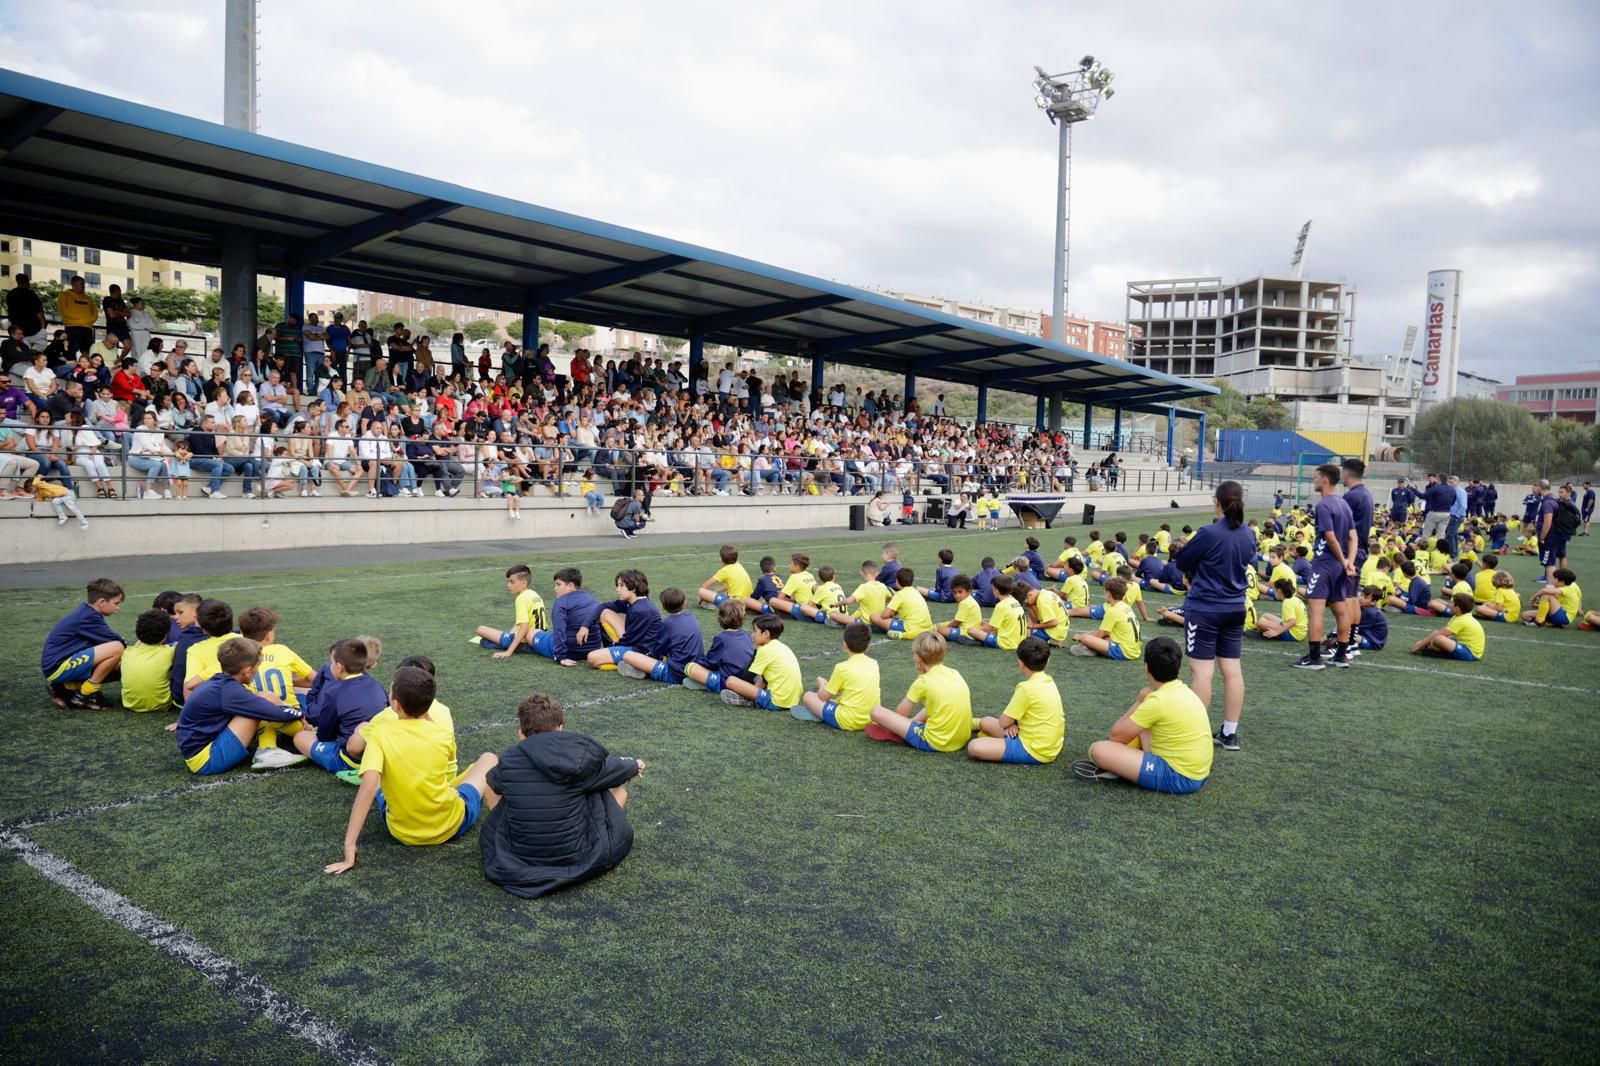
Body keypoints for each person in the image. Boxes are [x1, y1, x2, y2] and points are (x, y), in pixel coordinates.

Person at [324, 666, 501, 874]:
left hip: (401, 832)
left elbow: (368, 788)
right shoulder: (443, 734)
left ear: (395, 704)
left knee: (377, 777)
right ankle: (501, 826)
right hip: (450, 825)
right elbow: (445, 768)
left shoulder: (380, 733)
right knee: (489, 759)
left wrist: (349, 847)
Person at [479, 693, 644, 898]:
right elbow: (618, 769)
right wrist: (635, 764)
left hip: (520, 856)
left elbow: (493, 784)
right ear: (561, 727)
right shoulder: (577, 758)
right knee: (611, 788)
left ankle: (518, 826)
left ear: (521, 733)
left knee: (493, 782)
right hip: (577, 856)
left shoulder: (509, 759)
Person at [1171, 481, 1255, 751]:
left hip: (1206, 608)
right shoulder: (1248, 534)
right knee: (1232, 671)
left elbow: (1182, 561)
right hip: (1235, 607)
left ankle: (1195, 734)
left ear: (1217, 501)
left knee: (1202, 673)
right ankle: (1230, 733)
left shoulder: (1209, 532)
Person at [1071, 637, 1213, 794]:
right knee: (1141, 728)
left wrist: (1139, 701)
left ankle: (1122, 768)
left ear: (1146, 667)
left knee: (1098, 750)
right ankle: (1128, 765)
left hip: (1179, 777)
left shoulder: (1157, 701)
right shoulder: (1184, 691)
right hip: (1197, 771)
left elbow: (1116, 736)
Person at [175, 638, 305, 775]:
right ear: (248, 671)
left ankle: (274, 745)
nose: (258, 670)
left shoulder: (221, 682)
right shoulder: (229, 690)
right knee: (260, 706)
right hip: (206, 760)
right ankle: (291, 744)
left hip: (198, 751)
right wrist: (300, 713)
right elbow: (276, 714)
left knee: (262, 698)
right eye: (258, 666)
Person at [289, 639, 388, 774]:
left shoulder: (334, 693)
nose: (330, 666)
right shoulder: (376, 684)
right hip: (380, 755)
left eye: (332, 662)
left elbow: (324, 736)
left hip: (354, 759)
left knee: (300, 737)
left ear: (339, 667)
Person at [865, 631, 972, 752]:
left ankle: (902, 733)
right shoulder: (954, 673)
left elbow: (901, 713)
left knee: (876, 711)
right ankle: (908, 728)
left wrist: (899, 725)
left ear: (917, 658)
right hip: (962, 739)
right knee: (937, 703)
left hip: (936, 742)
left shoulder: (923, 681)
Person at [1296, 463, 1357, 670]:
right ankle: (1341, 656)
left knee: (1316, 612)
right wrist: (1349, 562)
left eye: (1315, 477)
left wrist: (1342, 561)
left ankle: (1314, 658)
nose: (1313, 481)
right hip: (1339, 567)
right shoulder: (1344, 504)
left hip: (1324, 565)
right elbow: (1353, 537)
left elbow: (1330, 538)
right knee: (1341, 611)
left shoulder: (1323, 505)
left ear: (1324, 479)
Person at [237, 607, 315, 770]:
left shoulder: (238, 656)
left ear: (242, 634)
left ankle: (266, 748)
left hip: (258, 718)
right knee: (305, 708)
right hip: (291, 718)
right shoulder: (282, 651)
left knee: (259, 705)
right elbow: (316, 680)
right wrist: (290, 681)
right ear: (269, 634)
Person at [967, 637, 1065, 765]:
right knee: (986, 722)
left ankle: (974, 730)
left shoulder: (1026, 688)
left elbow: (1003, 722)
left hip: (1034, 750)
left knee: (974, 746)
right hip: (1046, 743)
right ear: (1047, 662)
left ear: (1020, 663)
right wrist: (1013, 724)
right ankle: (976, 727)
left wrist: (1009, 724)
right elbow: (1012, 720)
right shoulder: (1049, 680)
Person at [41, 577, 125, 711]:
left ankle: (68, 688)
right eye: (116, 603)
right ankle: (86, 694)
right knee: (117, 648)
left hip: (61, 664)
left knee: (122, 666)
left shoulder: (87, 612)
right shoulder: (88, 617)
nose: (118, 608)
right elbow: (118, 643)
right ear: (102, 602)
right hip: (57, 666)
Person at [795, 620, 881, 729]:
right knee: (838, 700)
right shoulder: (874, 664)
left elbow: (823, 696)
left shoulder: (842, 668)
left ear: (845, 644)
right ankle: (823, 712)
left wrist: (822, 684)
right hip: (870, 719)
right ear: (868, 646)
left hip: (848, 720)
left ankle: (820, 714)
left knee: (808, 696)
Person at [615, 588, 705, 684]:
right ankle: (641, 670)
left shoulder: (667, 623)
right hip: (696, 669)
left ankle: (641, 670)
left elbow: (657, 652)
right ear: (684, 602)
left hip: (676, 673)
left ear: (663, 606)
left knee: (628, 655)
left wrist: (645, 659)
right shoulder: (691, 617)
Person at [717, 615, 803, 711]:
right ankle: (749, 697)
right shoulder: (782, 647)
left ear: (765, 634)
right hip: (792, 702)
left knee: (731, 681)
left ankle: (747, 698)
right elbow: (765, 679)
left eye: (755, 631)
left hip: (775, 702)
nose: (752, 634)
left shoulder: (764, 650)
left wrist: (756, 651)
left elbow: (747, 677)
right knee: (763, 678)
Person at [589, 570, 662, 671]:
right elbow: (602, 606)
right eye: (617, 585)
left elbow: (629, 640)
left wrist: (613, 647)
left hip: (642, 652)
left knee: (592, 658)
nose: (617, 589)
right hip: (634, 643)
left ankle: (632, 665)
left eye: (621, 586)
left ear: (634, 587)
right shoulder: (632, 602)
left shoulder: (641, 610)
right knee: (605, 612)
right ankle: (623, 661)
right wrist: (584, 626)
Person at [474, 565, 550, 658]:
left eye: (512, 582)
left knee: (480, 630)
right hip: (540, 639)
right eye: (508, 581)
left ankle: (511, 646)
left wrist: (508, 652)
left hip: (526, 642)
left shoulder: (521, 599)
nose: (508, 585)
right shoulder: (534, 594)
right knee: (514, 628)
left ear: (523, 583)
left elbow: (524, 629)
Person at [681, 601, 757, 694]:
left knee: (690, 667)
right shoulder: (746, 634)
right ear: (742, 619)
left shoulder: (722, 637)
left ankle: (708, 684)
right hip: (746, 679)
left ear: (720, 619)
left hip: (729, 680)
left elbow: (711, 662)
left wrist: (699, 663)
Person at [1069, 576, 1142, 660]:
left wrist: (1081, 637)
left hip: (1124, 651)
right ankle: (1094, 648)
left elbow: (1099, 635)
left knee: (1086, 638)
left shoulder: (1113, 610)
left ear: (1109, 593)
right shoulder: (1125, 606)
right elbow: (1106, 633)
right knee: (1099, 636)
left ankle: (1091, 649)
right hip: (1134, 649)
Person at [120, 609, 176, 713]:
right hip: (161, 705)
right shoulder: (169, 652)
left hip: (130, 704)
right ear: (165, 634)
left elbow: (139, 643)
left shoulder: (128, 652)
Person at [1411, 592, 1486, 661]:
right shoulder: (1458, 616)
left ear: (1457, 608)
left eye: (1452, 604)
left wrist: (1420, 645)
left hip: (1470, 654)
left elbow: (1440, 635)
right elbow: (1442, 631)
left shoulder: (1461, 620)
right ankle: (1433, 650)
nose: (1449, 605)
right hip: (1463, 646)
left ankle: (1439, 654)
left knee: (1439, 639)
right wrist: (1423, 643)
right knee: (1437, 636)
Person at [873, 568, 933, 640]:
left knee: (874, 617)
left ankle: (896, 631)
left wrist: (890, 612)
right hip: (927, 626)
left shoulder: (899, 594)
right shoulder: (915, 591)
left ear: (897, 581)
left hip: (911, 628)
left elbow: (884, 616)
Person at [20, 474, 89, 530]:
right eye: (30, 492)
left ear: (33, 485)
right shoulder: (40, 492)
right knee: (55, 501)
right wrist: (36, 501)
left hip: (68, 494)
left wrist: (38, 477)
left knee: (72, 508)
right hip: (61, 497)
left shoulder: (41, 484)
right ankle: (63, 517)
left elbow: (35, 482)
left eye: (31, 489)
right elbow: (40, 498)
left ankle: (84, 522)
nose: (32, 492)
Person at [697, 544, 754, 609]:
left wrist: (702, 599)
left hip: (733, 603)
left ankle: (718, 606)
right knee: (723, 592)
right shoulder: (738, 565)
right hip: (747, 600)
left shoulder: (724, 570)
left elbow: (705, 585)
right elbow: (728, 587)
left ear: (721, 559)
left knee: (701, 591)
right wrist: (715, 592)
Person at [1356, 587, 1389, 651]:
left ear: (1373, 602)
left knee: (1346, 636)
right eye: (1361, 595)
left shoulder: (1370, 612)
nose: (1360, 598)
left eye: (1365, 597)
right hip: (1366, 636)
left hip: (1373, 643)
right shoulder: (1365, 608)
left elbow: (1355, 627)